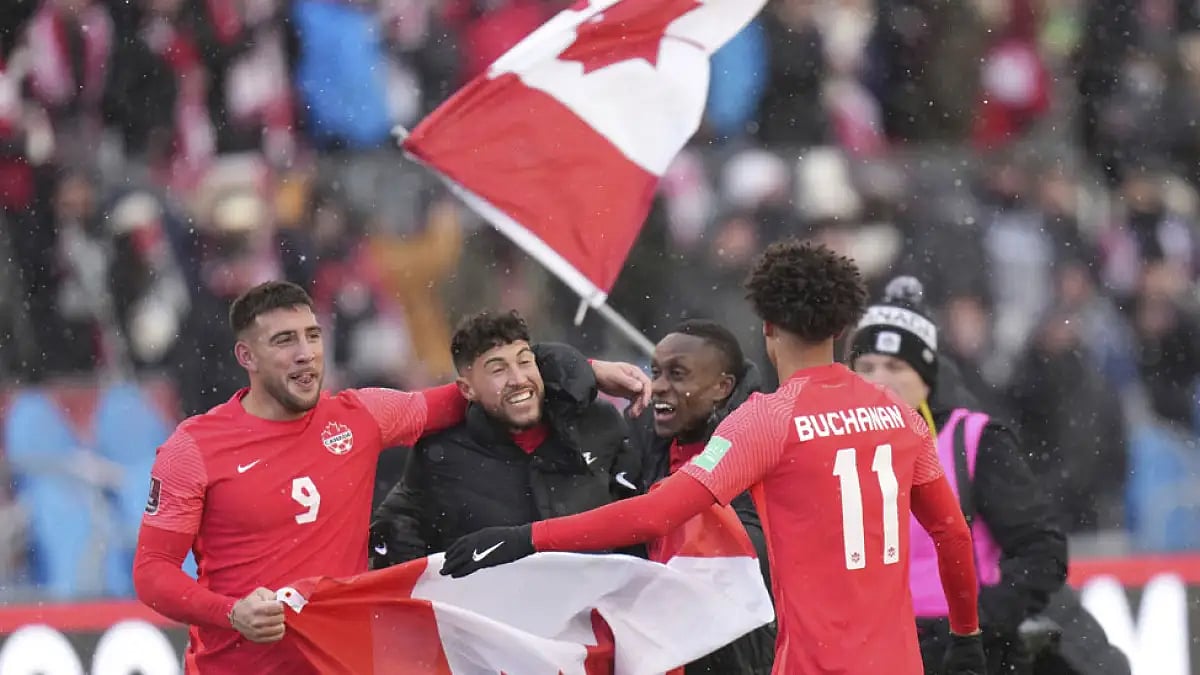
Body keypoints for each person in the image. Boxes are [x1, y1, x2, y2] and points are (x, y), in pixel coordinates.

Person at [441, 240, 989, 675]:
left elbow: (656, 514)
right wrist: (967, 635)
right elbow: (952, 533)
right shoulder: (898, 414)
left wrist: (526, 538)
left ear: (767, 327)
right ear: (842, 328)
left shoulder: (767, 420)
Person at [131, 281, 652, 674]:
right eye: (284, 341)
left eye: (312, 335)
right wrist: (230, 613)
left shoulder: (360, 417)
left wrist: (586, 368)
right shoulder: (193, 449)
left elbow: (486, 385)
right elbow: (153, 573)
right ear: (246, 356)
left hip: (345, 663)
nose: (305, 352)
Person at [847, 276, 1068, 675]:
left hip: (966, 653)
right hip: (873, 650)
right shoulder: (836, 447)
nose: (879, 379)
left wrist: (979, 623)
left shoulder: (975, 440)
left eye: (895, 366)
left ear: (926, 377)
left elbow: (1042, 549)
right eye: (866, 366)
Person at [368, 309, 642, 567]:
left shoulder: (597, 423)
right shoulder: (440, 456)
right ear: (467, 389)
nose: (518, 379)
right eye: (498, 370)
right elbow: (397, 540)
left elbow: (641, 520)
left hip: (598, 599)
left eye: (524, 362)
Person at [638, 318, 777, 674]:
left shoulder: (758, 451)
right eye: (656, 372)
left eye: (677, 374)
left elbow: (753, 558)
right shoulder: (638, 443)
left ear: (722, 387)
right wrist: (593, 370)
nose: (658, 387)